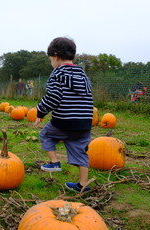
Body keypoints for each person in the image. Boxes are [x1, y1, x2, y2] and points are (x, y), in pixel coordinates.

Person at [33, 37, 94, 192]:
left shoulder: (57, 74)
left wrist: (40, 111)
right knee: (81, 151)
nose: (51, 63)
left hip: (64, 121)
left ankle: (54, 162)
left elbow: (53, 98)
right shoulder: (83, 76)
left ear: (56, 55)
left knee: (46, 134)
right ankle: (82, 185)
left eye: (50, 59)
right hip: (84, 123)